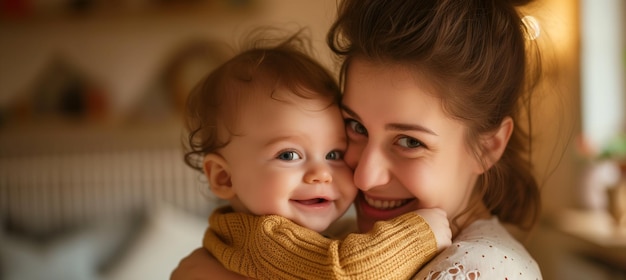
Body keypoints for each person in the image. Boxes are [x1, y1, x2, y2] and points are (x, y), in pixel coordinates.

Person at [172, 0, 545, 278]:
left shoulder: (478, 270)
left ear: (488, 146)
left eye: (410, 142)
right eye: (357, 127)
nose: (363, 177)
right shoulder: (341, 235)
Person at [181, 29, 452, 280]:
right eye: (288, 155)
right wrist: (420, 233)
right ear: (224, 178)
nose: (321, 174)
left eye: (334, 154)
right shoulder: (263, 238)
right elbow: (347, 271)